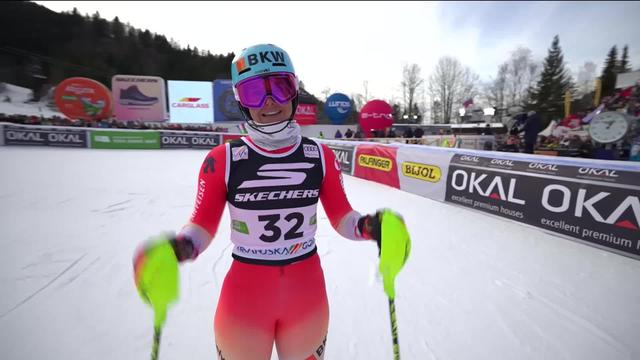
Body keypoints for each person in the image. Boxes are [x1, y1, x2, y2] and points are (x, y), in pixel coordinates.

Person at [132, 43, 407, 360]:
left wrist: (372, 226)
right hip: (245, 300)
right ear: (240, 101)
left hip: (306, 295)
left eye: (279, 87)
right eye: (253, 93)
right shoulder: (223, 159)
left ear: (294, 91)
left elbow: (343, 217)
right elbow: (202, 225)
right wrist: (178, 248)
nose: (269, 102)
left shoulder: (320, 156)